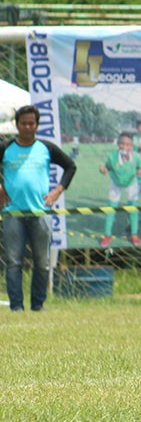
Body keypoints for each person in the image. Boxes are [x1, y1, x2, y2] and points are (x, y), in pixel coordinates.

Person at [0, 105, 77, 312]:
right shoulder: (6, 147)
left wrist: (58, 191)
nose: (27, 127)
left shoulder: (46, 148)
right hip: (12, 213)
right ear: (17, 125)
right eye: (23, 123)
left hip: (40, 213)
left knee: (42, 263)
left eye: (31, 123)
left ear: (37, 125)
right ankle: (16, 306)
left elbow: (70, 166)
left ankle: (38, 305)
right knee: (14, 262)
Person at [99, 131, 141, 248]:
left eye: (128, 144)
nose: (124, 147)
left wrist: (140, 171)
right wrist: (103, 169)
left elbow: (139, 168)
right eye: (122, 144)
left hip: (131, 182)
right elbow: (107, 167)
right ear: (118, 144)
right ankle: (107, 235)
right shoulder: (112, 156)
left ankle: (134, 234)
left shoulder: (136, 157)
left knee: (133, 208)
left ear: (132, 146)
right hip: (116, 182)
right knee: (111, 208)